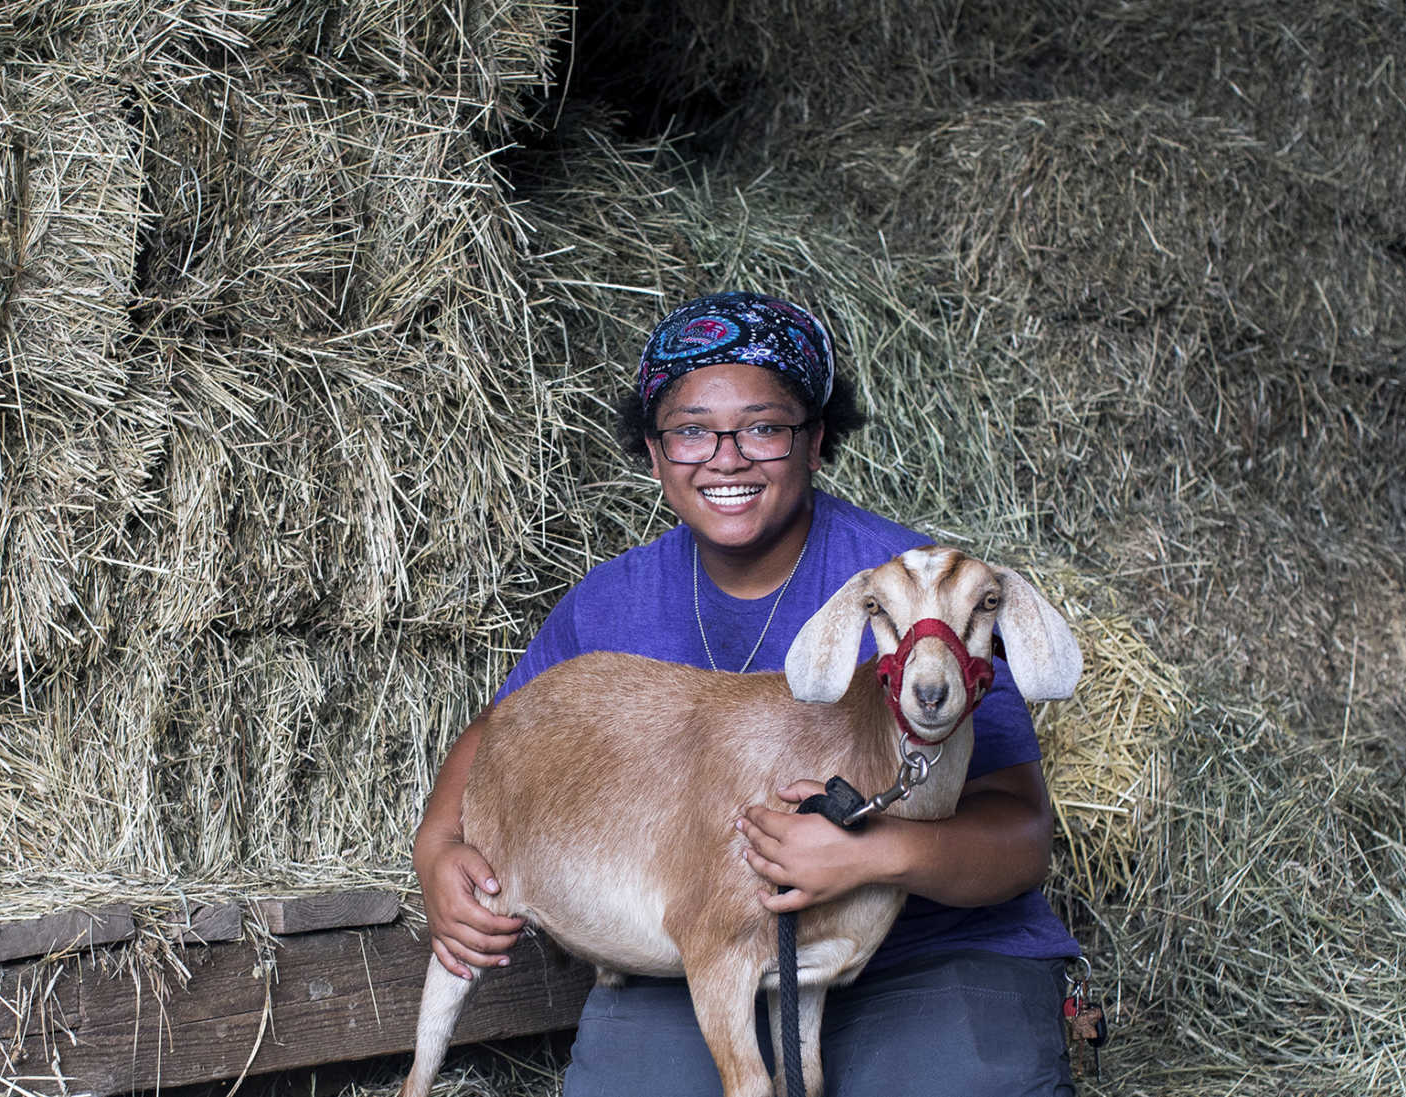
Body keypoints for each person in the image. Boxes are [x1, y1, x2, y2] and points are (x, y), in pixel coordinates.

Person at [410, 292, 1081, 1096]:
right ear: (653, 454)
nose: (725, 457)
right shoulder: (612, 600)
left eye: (763, 426)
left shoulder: (916, 586)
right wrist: (439, 846)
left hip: (928, 949)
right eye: (691, 430)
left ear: (816, 441)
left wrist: (871, 856)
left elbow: (1023, 829)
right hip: (712, 943)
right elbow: (502, 724)